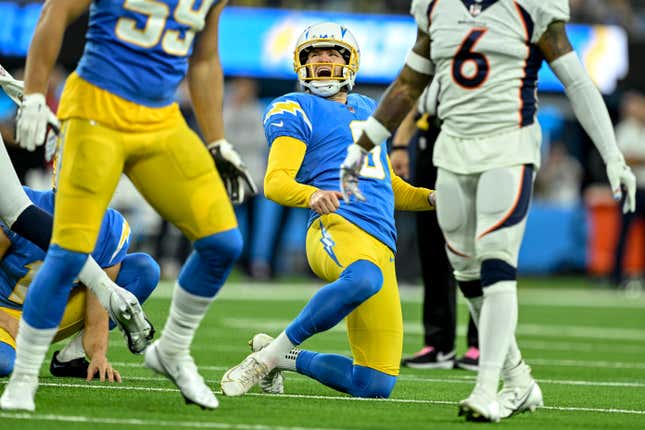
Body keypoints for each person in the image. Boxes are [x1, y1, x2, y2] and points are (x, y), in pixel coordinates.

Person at [339, 0, 636, 422]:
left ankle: (486, 390)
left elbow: (577, 82)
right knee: (467, 273)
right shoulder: (435, 6)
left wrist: (612, 156)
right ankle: (518, 380)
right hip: (452, 151)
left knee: (497, 262)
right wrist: (362, 144)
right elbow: (408, 84)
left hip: (508, 147)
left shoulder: (533, 5)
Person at [1, 0, 257, 411]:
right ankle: (25, 377)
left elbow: (205, 57)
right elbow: (55, 12)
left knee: (223, 242)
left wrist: (217, 140)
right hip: (95, 111)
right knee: (68, 253)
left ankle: (171, 350)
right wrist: (34, 95)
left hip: (160, 120)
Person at [220, 22, 435, 399]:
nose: (323, 59)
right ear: (300, 63)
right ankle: (267, 359)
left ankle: (285, 356)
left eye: (333, 52)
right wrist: (312, 195)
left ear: (350, 61)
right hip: (335, 226)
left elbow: (386, 185)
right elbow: (276, 182)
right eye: (314, 53)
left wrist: (429, 198)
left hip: (382, 244)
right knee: (365, 279)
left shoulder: (370, 109)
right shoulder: (295, 106)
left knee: (373, 384)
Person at [0, 186, 159, 382]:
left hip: (49, 316)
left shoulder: (110, 226)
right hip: (6, 309)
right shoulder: (19, 204)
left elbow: (99, 309)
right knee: (3, 363)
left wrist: (98, 355)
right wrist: (6, 321)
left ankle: (71, 357)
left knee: (143, 271)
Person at [392, 85, 479, 371]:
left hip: (476, 137)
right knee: (431, 243)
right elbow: (414, 93)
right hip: (431, 136)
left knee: (479, 246)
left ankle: (483, 341)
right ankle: (438, 342)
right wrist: (401, 143)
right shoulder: (435, 44)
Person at [611, 92, 645, 286]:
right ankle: (616, 277)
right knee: (623, 233)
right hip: (630, 190)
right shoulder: (624, 129)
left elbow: (633, 157)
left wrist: (637, 158)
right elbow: (623, 159)